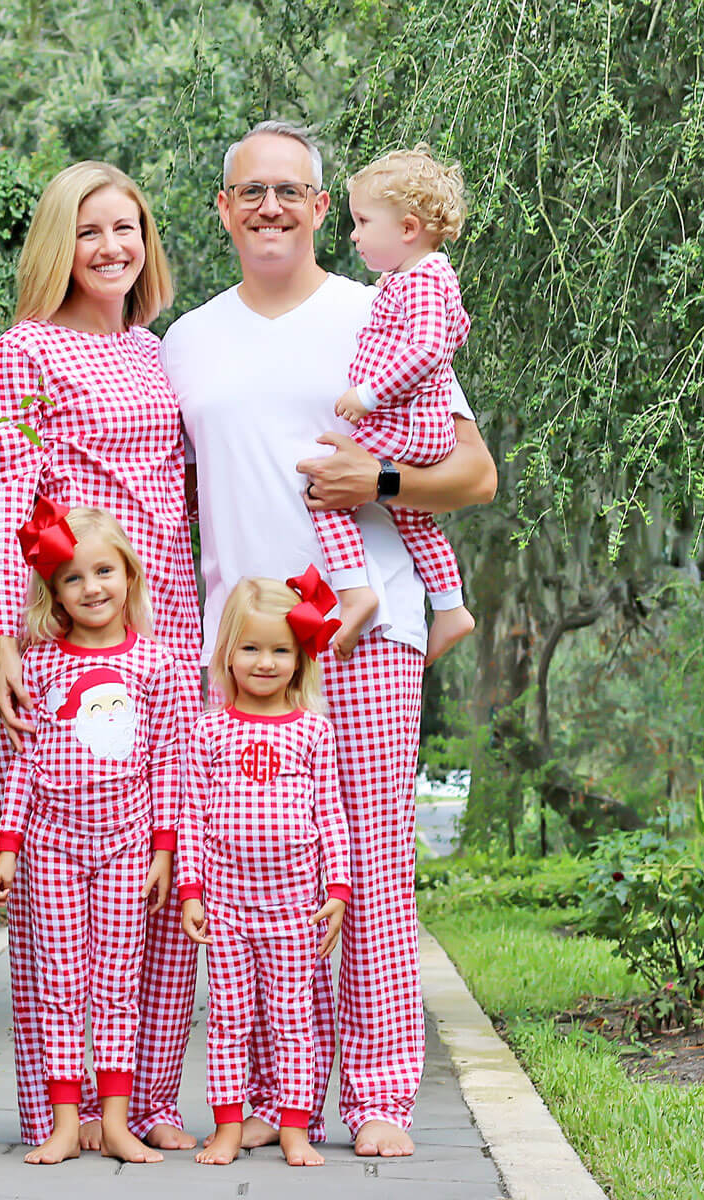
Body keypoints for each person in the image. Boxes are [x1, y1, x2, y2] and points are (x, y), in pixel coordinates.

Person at [161, 121, 496, 1157]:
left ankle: (384, 1096)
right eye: (248, 189)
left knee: (374, 871)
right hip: (249, 653)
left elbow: (474, 475)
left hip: (368, 627)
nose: (270, 206)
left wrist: (380, 483)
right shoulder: (186, 341)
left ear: (320, 209)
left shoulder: (383, 310)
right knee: (262, 877)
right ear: (222, 208)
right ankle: (269, 1097)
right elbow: (171, 503)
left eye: (291, 190)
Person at [0, 162, 201, 1150]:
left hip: (173, 630)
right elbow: (0, 496)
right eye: (92, 230)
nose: (113, 247)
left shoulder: (155, 353)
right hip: (80, 643)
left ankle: (141, 1106)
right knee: (69, 878)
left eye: (129, 229)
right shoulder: (24, 352)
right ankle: (56, 1112)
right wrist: (6, 637)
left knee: (161, 863)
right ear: (58, 243)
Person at [0, 505, 186, 1165]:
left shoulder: (158, 665)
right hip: (51, 847)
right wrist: (8, 848)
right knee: (59, 981)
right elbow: (22, 765)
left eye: (104, 571)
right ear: (54, 592)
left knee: (118, 982)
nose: (92, 587)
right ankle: (67, 1124)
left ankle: (119, 1121)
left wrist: (163, 852)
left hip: (128, 846)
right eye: (73, 578)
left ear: (129, 573)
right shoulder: (39, 667)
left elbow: (167, 764)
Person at [179, 571, 351, 1168]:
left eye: (280, 650)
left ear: (300, 658)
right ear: (227, 653)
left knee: (292, 1022)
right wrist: (192, 892)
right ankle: (228, 1124)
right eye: (250, 647)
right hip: (226, 908)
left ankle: (294, 1125)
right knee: (229, 1019)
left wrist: (337, 888)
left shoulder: (312, 732)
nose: (264, 662)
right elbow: (193, 815)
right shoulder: (208, 731)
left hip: (294, 909)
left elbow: (329, 812)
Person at [313, 145, 476, 666]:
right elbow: (457, 328)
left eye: (362, 222)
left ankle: (355, 591)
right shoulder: (415, 278)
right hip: (413, 425)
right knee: (411, 517)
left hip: (407, 426)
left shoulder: (424, 278)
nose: (354, 235)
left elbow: (429, 349)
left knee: (325, 481)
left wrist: (367, 396)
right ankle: (451, 608)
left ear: (407, 228)